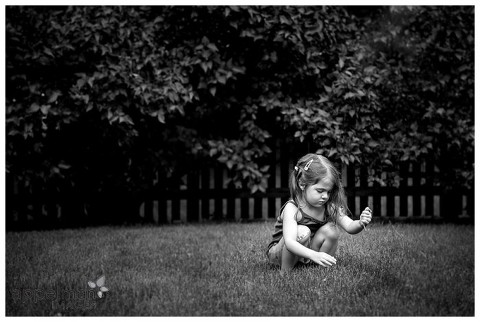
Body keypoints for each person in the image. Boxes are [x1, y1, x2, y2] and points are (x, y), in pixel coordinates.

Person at [266, 153, 372, 272]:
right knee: (302, 231)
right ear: (302, 184)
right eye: (320, 191)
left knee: (332, 229)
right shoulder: (293, 208)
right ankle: (285, 272)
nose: (325, 196)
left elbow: (349, 226)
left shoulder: (329, 207)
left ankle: (320, 267)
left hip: (307, 250)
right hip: (279, 254)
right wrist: (313, 254)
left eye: (328, 192)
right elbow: (289, 242)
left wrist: (361, 223)